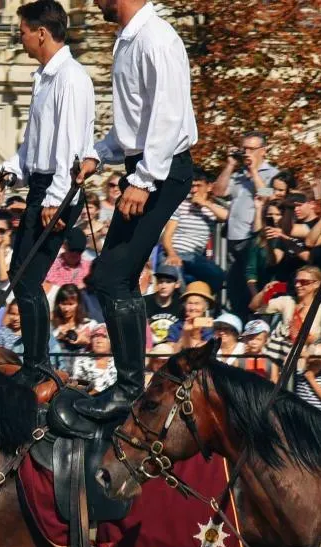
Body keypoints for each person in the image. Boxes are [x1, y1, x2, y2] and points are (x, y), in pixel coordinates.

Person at [74, 0, 198, 420]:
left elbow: (166, 118)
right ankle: (129, 384)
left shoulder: (156, 38)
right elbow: (135, 125)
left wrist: (143, 181)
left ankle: (129, 387)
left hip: (161, 170)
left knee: (112, 276)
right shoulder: (128, 41)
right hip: (145, 166)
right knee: (110, 276)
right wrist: (99, 153)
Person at [0, 0, 96, 386]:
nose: (20, 37)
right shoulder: (44, 77)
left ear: (42, 33)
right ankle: (34, 361)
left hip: (57, 189)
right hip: (41, 185)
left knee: (27, 278)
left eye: (23, 31)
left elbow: (69, 144)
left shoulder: (70, 78)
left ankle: (37, 364)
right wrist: (9, 170)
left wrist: (56, 199)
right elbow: (36, 143)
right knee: (21, 276)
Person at [213, 131, 279, 318]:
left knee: (255, 286)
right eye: (244, 149)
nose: (247, 153)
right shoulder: (239, 175)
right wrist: (230, 165)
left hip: (255, 239)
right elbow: (218, 191)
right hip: (233, 240)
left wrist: (254, 173)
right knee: (236, 288)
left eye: (251, 149)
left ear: (263, 151)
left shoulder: (272, 173)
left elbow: (267, 195)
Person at [160, 170, 227, 298]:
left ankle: (201, 300)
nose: (194, 190)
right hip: (174, 252)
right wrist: (172, 254)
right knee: (178, 280)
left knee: (218, 275)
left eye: (198, 186)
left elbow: (227, 217)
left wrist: (206, 204)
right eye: (192, 186)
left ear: (209, 187)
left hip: (194, 257)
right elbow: (167, 235)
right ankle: (188, 302)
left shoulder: (212, 208)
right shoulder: (180, 205)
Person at [166, 280, 216, 350]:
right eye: (190, 303)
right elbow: (171, 353)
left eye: (197, 303)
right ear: (184, 305)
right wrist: (185, 333)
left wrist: (196, 333)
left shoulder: (212, 328)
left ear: (205, 307)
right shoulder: (175, 327)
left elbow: (205, 353)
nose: (192, 308)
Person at [143, 264, 183, 347]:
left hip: (172, 348)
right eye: (160, 282)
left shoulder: (181, 305)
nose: (163, 286)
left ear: (177, 284)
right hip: (148, 347)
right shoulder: (144, 302)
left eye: (168, 282)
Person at [72, 324, 117, 393]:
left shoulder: (119, 362)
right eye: (95, 336)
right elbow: (77, 384)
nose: (98, 341)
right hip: (87, 401)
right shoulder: (82, 359)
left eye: (104, 336)